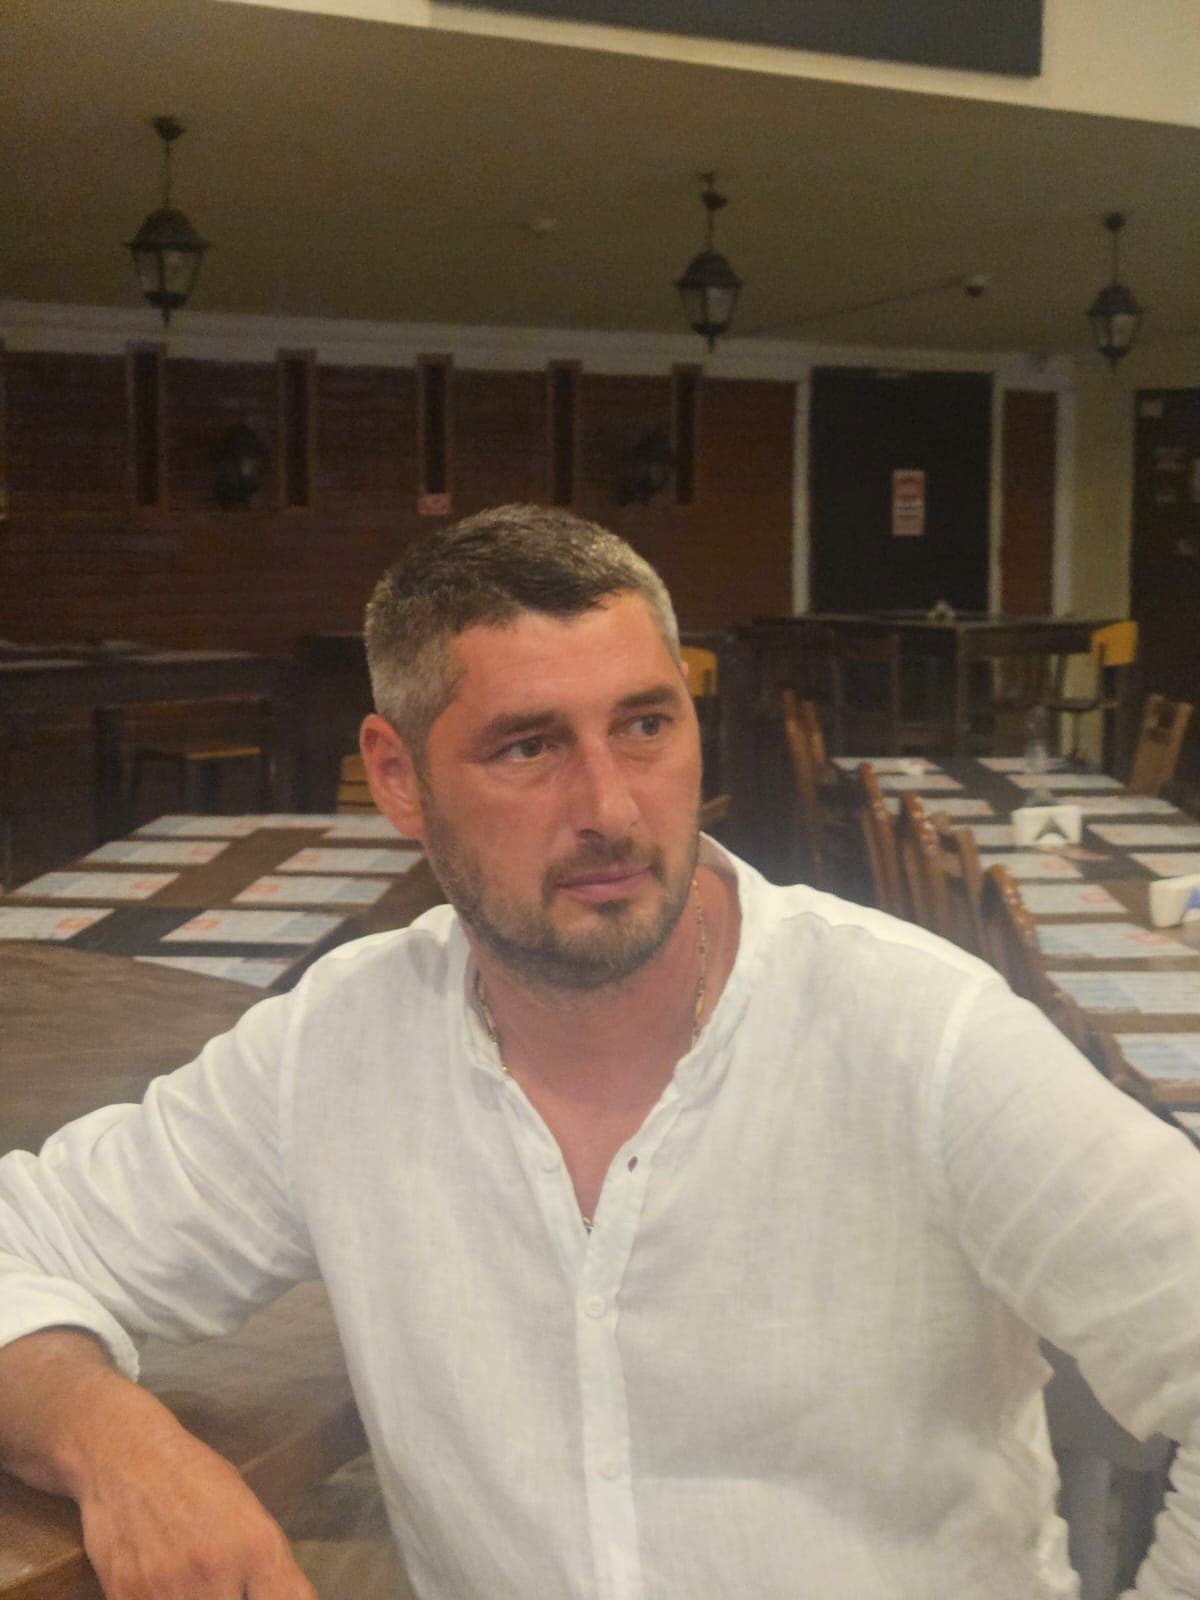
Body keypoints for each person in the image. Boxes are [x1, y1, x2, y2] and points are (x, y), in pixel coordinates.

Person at [1, 504, 1199, 1600]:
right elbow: (23, 1246)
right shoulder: (341, 1047)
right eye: (529, 746)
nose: (615, 805)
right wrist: (120, 1444)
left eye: (644, 724)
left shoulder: (922, 1038)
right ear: (396, 778)